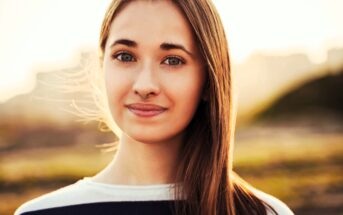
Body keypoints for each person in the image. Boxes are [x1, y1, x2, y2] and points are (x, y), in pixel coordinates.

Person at [15, 0, 294, 214]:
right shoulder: (40, 214)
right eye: (125, 56)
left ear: (209, 80)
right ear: (102, 67)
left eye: (172, 60)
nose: (145, 85)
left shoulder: (265, 213)